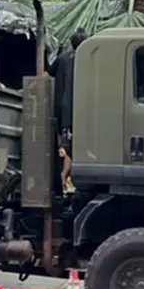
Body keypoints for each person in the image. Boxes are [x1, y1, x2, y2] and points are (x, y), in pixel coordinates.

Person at [49, 29, 87, 193]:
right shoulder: (87, 59)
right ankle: (65, 178)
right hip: (78, 110)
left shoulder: (63, 58)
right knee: (73, 147)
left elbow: (48, 73)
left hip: (60, 111)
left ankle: (63, 178)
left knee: (64, 145)